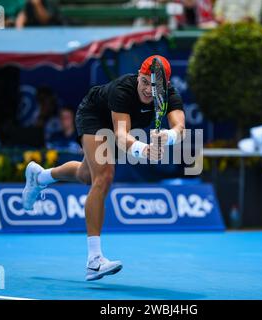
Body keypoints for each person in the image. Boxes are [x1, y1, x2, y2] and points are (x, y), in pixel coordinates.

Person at [22, 55, 186, 281]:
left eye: (154, 85)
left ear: (165, 85)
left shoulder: (171, 95)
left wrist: (166, 137)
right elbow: (120, 135)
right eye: (145, 82)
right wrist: (144, 149)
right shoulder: (123, 90)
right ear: (138, 76)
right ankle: (94, 260)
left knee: (85, 175)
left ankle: (40, 177)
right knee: (105, 176)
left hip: (121, 130)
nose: (148, 89)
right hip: (94, 116)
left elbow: (180, 128)